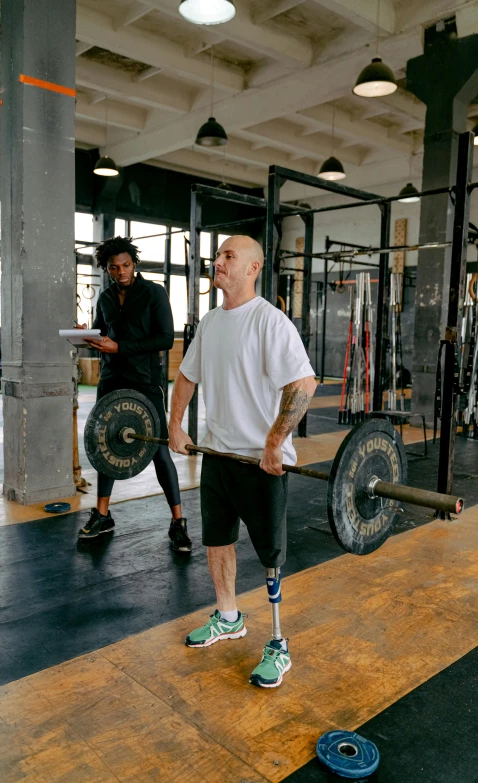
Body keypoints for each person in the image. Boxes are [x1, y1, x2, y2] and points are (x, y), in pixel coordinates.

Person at [169, 235, 317, 688]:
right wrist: (176, 425)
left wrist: (275, 442)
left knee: (270, 553)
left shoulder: (270, 323)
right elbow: (186, 375)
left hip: (260, 463)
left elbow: (304, 384)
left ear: (252, 269)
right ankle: (229, 617)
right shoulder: (210, 324)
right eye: (218, 256)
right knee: (217, 540)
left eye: (228, 257)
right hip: (217, 453)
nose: (218, 262)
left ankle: (277, 641)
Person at [78, 236, 192, 553]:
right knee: (105, 445)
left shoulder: (154, 293)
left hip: (145, 382)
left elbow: (166, 339)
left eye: (126, 265)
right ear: (107, 269)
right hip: (111, 380)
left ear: (134, 264)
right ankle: (102, 515)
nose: (121, 272)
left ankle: (178, 522)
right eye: (114, 268)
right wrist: (88, 336)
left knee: (158, 450)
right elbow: (103, 333)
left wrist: (120, 347)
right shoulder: (105, 298)